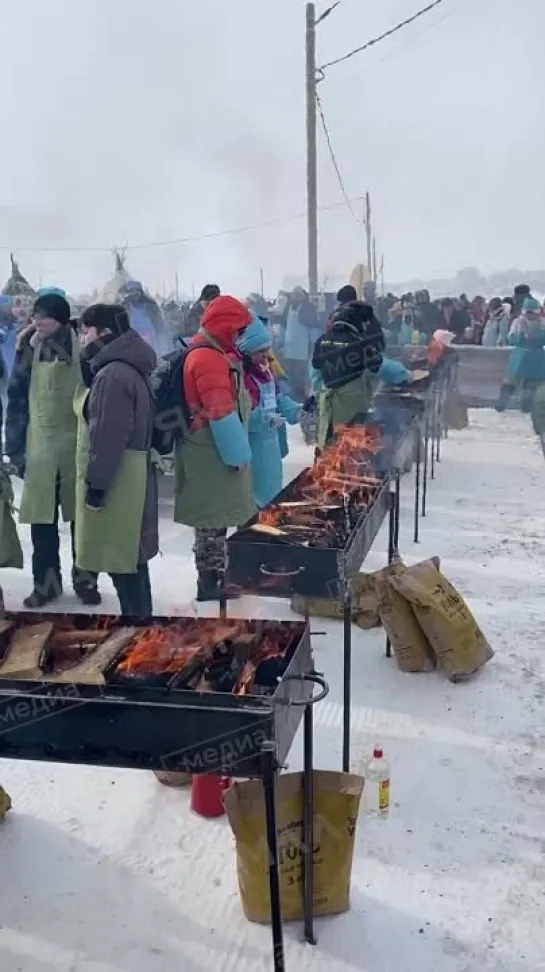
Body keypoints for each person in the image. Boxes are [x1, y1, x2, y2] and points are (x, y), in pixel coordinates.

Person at [5, 292, 100, 608]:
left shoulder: (84, 350)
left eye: (42, 315)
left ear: (59, 318)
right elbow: (17, 401)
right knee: (42, 523)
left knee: (82, 521)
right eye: (33, 315)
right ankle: (46, 585)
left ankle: (86, 581)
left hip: (77, 447)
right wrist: (15, 449)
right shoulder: (27, 351)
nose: (36, 321)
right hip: (40, 448)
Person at [76, 303, 159, 617]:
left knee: (122, 559)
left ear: (104, 332)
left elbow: (107, 436)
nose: (82, 338)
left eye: (86, 331)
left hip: (118, 479)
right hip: (131, 475)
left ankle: (136, 633)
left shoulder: (112, 375)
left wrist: (96, 488)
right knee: (131, 560)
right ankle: (142, 627)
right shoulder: (128, 366)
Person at [173, 294, 255, 601]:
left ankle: (215, 579)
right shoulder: (208, 358)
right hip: (209, 449)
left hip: (208, 445)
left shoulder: (209, 351)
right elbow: (219, 410)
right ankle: (210, 584)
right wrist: (238, 456)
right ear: (224, 327)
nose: (240, 336)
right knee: (212, 520)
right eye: (238, 330)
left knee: (215, 517)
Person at [237, 317, 301, 508]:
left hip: (271, 448)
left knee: (272, 499)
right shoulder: (241, 377)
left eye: (267, 350)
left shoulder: (265, 370)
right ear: (245, 352)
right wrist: (266, 421)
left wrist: (297, 411)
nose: (267, 356)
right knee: (252, 503)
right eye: (261, 352)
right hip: (252, 447)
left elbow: (278, 396)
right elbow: (244, 412)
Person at [312, 285, 384, 448]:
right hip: (353, 405)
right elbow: (377, 366)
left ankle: (324, 466)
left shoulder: (322, 340)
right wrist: (404, 374)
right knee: (349, 445)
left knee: (329, 443)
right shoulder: (360, 343)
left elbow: (315, 365)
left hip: (328, 402)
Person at [496, 297, 545, 413]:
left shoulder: (543, 323)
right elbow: (511, 337)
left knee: (532, 385)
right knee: (510, 381)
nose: (530, 315)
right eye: (528, 313)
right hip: (520, 356)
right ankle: (501, 403)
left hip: (537, 357)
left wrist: (538, 338)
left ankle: (527, 406)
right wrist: (521, 337)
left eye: (532, 313)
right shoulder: (518, 322)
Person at [282, 287, 318, 400]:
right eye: (294, 295)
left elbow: (313, 328)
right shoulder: (288, 308)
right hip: (289, 349)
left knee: (301, 377)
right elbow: (284, 325)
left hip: (302, 349)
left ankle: (302, 399)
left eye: (298, 295)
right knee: (290, 377)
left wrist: (313, 345)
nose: (295, 298)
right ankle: (293, 398)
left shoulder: (306, 309)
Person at [120, 280, 170, 356]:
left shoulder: (151, 306)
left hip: (149, 339)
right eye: (131, 291)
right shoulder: (124, 307)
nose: (134, 294)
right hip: (131, 340)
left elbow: (160, 327)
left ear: (140, 292)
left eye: (136, 291)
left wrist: (163, 346)